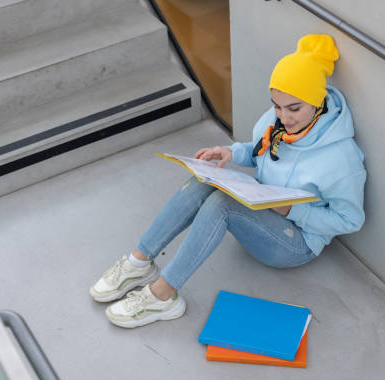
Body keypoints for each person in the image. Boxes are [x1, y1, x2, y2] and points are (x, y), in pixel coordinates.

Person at [89, 34, 366, 328]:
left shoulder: (341, 159)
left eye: (293, 109)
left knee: (223, 204)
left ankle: (162, 296)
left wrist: (292, 210)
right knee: (204, 180)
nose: (283, 117)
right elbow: (257, 149)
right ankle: (138, 263)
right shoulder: (279, 122)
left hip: (296, 243)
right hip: (263, 212)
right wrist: (229, 153)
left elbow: (350, 220)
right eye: (277, 106)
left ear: (315, 102)